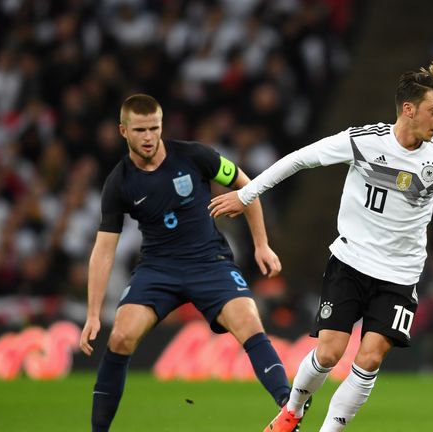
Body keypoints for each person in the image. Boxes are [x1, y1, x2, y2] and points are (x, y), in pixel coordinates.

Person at [209, 62, 433, 432]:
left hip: (400, 275)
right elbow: (300, 158)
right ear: (409, 109)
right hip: (350, 261)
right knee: (329, 352)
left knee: (369, 360)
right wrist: (246, 193)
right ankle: (293, 410)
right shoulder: (364, 141)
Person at [79, 94, 292, 431]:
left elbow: (245, 185)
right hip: (157, 269)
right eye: (140, 130)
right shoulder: (118, 183)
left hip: (210, 262)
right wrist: (93, 313)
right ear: (123, 131)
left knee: (250, 321)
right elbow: (104, 249)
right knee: (120, 336)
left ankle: (289, 409)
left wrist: (261, 245)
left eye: (154, 128)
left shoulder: (194, 156)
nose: (149, 137)